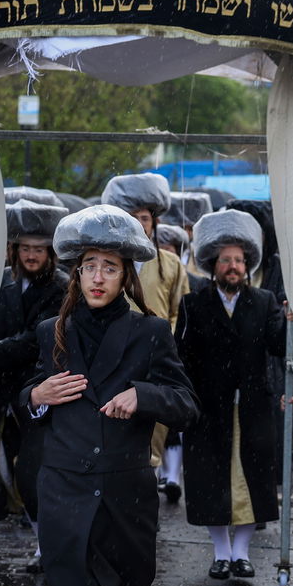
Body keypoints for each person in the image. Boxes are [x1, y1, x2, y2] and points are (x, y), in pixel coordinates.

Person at [21, 204, 198, 586]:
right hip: (65, 495)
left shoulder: (150, 333)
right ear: (76, 273)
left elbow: (185, 402)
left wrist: (141, 396)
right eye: (89, 266)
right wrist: (37, 395)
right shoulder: (53, 333)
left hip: (126, 497)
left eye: (111, 268)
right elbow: (21, 398)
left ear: (128, 277)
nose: (98, 277)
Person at [175, 209, 287, 580]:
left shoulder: (265, 301)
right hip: (209, 408)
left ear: (248, 265)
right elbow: (182, 355)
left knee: (252, 480)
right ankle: (221, 553)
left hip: (254, 406)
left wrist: (292, 323)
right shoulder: (193, 304)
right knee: (212, 481)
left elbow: (278, 345)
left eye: (239, 260)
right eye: (226, 261)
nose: (234, 267)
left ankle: (242, 553)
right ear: (213, 264)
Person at [0, 198, 69, 567]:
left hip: (38, 388)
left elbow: (36, 337)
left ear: (50, 253)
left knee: (35, 468)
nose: (31, 255)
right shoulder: (1, 284)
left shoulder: (61, 288)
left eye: (38, 249)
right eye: (24, 248)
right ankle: (13, 513)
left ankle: (45, 543)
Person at [101, 173, 191, 501]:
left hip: (156, 362)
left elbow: (181, 313)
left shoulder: (169, 265)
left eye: (144, 218)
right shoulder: (107, 263)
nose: (138, 225)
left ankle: (144, 500)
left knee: (152, 436)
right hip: (111, 362)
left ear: (154, 222)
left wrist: (168, 349)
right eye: (131, 218)